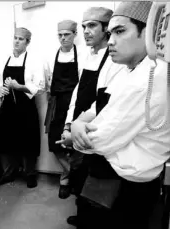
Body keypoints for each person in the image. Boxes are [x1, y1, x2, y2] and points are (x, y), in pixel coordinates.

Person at [71, 2, 170, 229]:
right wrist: (77, 122)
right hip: (113, 174)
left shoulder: (147, 77)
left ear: (148, 32)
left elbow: (98, 139)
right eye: (110, 33)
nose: (111, 41)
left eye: (120, 31)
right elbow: (100, 106)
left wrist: (73, 135)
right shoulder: (131, 69)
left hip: (127, 185)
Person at [55, 6, 124, 226]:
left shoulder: (114, 59)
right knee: (77, 174)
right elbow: (77, 93)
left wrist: (78, 130)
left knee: (93, 180)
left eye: (92, 25)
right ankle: (81, 214)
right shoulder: (88, 55)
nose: (86, 31)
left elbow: (104, 105)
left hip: (93, 132)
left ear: (107, 29)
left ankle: (87, 218)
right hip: (78, 126)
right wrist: (69, 124)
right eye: (84, 26)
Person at [0, 27, 46, 188]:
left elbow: (40, 87)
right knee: (8, 140)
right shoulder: (6, 58)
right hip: (8, 107)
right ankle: (10, 172)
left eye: (21, 39)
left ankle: (30, 174)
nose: (16, 41)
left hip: (26, 108)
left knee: (28, 141)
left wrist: (19, 86)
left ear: (27, 42)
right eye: (15, 38)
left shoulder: (34, 61)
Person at [45, 19, 81, 199]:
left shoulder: (82, 56)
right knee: (54, 143)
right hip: (56, 105)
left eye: (67, 34)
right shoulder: (52, 58)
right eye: (60, 35)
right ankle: (71, 173)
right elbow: (47, 84)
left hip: (75, 105)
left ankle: (66, 181)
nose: (63, 38)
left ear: (75, 34)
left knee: (74, 143)